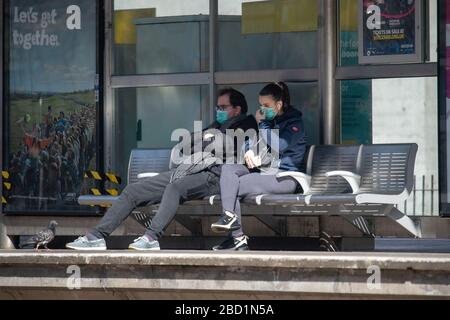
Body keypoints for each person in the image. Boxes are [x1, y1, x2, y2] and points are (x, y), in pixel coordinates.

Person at [66, 88, 258, 251]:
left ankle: (151, 238)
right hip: (190, 170)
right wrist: (207, 138)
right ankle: (96, 237)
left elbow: (226, 146)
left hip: (216, 175)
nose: (218, 111)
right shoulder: (217, 125)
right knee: (133, 190)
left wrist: (206, 139)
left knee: (174, 188)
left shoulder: (247, 124)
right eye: (217, 107)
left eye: (223, 107)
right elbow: (187, 142)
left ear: (237, 109)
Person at [210, 82, 307, 251]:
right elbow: (250, 140)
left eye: (267, 106)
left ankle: (236, 238)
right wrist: (248, 151)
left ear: (279, 104)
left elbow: (279, 145)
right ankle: (234, 231)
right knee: (228, 168)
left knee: (233, 187)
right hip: (263, 172)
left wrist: (262, 124)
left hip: (285, 177)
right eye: (260, 105)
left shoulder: (295, 123)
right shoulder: (268, 121)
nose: (262, 109)